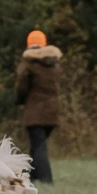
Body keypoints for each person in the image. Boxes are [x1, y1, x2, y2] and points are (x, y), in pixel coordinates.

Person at [13, 27, 62, 183]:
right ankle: (32, 178)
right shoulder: (54, 63)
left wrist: (19, 99)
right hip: (53, 112)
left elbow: (21, 86)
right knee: (37, 145)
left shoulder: (29, 63)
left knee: (39, 146)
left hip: (35, 112)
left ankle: (47, 179)